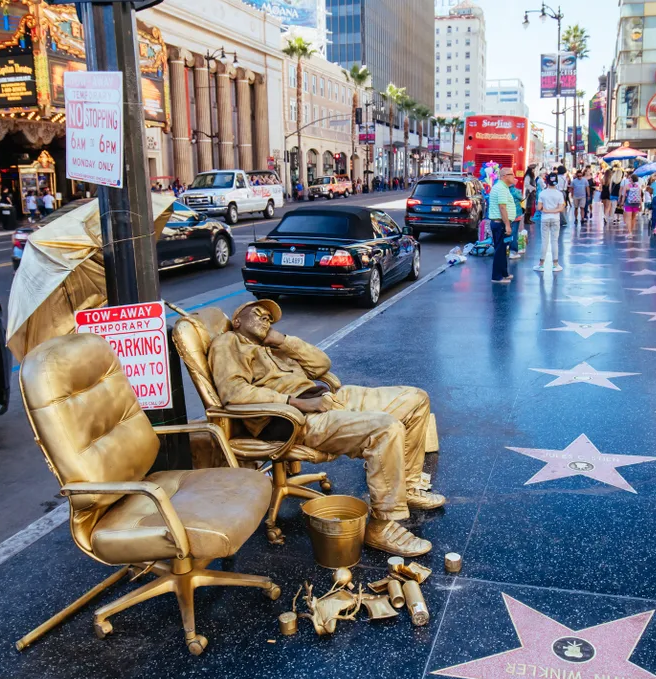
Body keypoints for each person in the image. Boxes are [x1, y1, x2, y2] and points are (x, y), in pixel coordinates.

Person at [210, 300, 444, 556]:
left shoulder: (273, 347)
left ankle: (407, 488)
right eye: (258, 314)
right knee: (385, 429)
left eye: (269, 318)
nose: (266, 319)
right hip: (295, 418)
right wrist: (297, 402)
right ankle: (383, 525)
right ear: (237, 321)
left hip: (329, 400)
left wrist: (283, 341)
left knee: (416, 399)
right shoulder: (229, 343)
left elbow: (321, 365)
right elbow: (234, 392)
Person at [488, 167, 517, 283]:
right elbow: (502, 207)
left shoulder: (502, 188)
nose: (514, 177)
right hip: (500, 224)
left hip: (501, 223)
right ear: (505, 176)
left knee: (503, 249)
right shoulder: (501, 189)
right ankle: (497, 276)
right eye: (512, 175)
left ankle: (504, 273)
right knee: (500, 250)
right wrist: (507, 225)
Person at [536, 172, 565, 272]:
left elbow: (539, 207)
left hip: (545, 219)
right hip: (555, 219)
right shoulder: (559, 194)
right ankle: (555, 264)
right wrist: (554, 211)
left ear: (547, 181)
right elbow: (561, 208)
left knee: (544, 241)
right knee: (554, 241)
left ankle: (541, 264)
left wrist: (546, 210)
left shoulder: (542, 193)